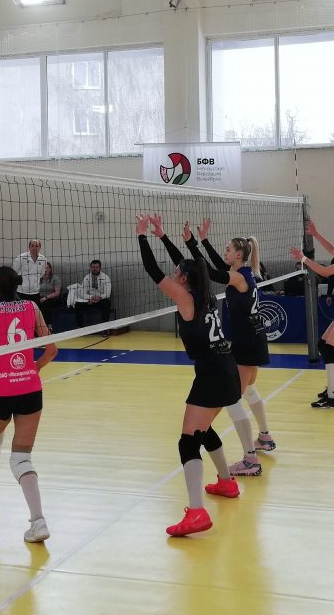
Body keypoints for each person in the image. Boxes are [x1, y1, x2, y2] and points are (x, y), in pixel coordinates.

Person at [137, 215, 241, 537]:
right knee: (203, 429)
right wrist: (163, 236)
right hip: (227, 369)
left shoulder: (184, 298)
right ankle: (226, 482)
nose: (173, 274)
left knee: (187, 440)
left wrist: (142, 237)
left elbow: (153, 270)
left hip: (211, 374)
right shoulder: (205, 293)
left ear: (183, 279)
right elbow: (188, 265)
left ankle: (196, 512)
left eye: (177, 273)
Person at [0, 266, 57, 543]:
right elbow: (52, 350)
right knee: (22, 457)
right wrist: (33, 368)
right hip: (29, 389)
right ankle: (38, 522)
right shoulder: (31, 306)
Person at [183, 219, 276, 476]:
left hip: (247, 343)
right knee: (249, 391)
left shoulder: (239, 277)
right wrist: (202, 241)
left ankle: (250, 460)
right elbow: (217, 265)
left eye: (228, 249)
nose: (225, 252)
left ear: (238, 255)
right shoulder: (244, 272)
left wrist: (192, 244)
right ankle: (265, 437)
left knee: (233, 400)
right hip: (253, 340)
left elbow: (211, 272)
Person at [290, 222, 334, 408]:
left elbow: (325, 272)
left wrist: (303, 258)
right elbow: (331, 249)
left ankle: (332, 397)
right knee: (323, 345)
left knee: (329, 350)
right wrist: (315, 233)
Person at [74, 260, 112, 329]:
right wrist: (90, 297)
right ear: (90, 268)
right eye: (93, 267)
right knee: (77, 305)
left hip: (100, 300)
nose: (95, 269)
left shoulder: (106, 278)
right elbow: (82, 293)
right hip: (89, 300)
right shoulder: (86, 278)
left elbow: (107, 294)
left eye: (97, 267)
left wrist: (99, 297)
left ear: (100, 268)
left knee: (107, 303)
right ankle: (80, 328)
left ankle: (105, 328)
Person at [12, 239, 48, 304]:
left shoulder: (43, 259)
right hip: (21, 292)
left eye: (36, 246)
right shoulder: (21, 258)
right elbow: (14, 272)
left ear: (40, 247)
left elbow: (41, 274)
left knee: (34, 310)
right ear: (29, 247)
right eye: (32, 246)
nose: (34, 248)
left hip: (35, 293)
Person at [37, 262, 62, 332]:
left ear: (50, 269)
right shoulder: (39, 278)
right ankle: (37, 326)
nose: (45, 270)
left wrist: (46, 297)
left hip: (51, 298)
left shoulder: (55, 278)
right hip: (39, 297)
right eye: (43, 268)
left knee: (45, 305)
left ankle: (48, 325)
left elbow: (57, 293)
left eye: (47, 268)